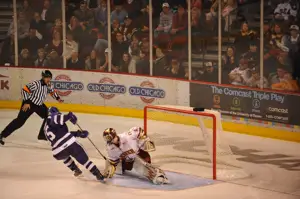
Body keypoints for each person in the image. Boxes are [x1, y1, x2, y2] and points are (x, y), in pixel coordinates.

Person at [0, 70, 63, 145]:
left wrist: (58, 98)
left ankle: (42, 135)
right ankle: (2, 135)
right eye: (47, 78)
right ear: (43, 77)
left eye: (50, 78)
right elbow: (24, 90)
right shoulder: (36, 84)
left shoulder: (49, 84)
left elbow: (52, 91)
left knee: (48, 116)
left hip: (39, 105)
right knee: (19, 122)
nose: (48, 79)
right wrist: (26, 102)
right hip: (30, 104)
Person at [45, 107, 105, 181]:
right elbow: (57, 119)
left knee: (65, 156)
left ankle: (75, 170)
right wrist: (68, 116)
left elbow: (62, 136)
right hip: (71, 145)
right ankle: (97, 174)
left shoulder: (46, 128)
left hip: (57, 151)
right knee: (84, 160)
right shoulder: (52, 117)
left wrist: (78, 133)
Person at [102, 127, 169, 184]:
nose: (109, 141)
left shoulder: (127, 136)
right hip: (123, 161)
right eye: (107, 139)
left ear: (114, 135)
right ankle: (111, 171)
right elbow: (113, 160)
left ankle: (157, 175)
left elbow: (138, 130)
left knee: (143, 169)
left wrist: (146, 140)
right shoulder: (110, 148)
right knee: (111, 164)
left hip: (135, 157)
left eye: (109, 138)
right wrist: (112, 168)